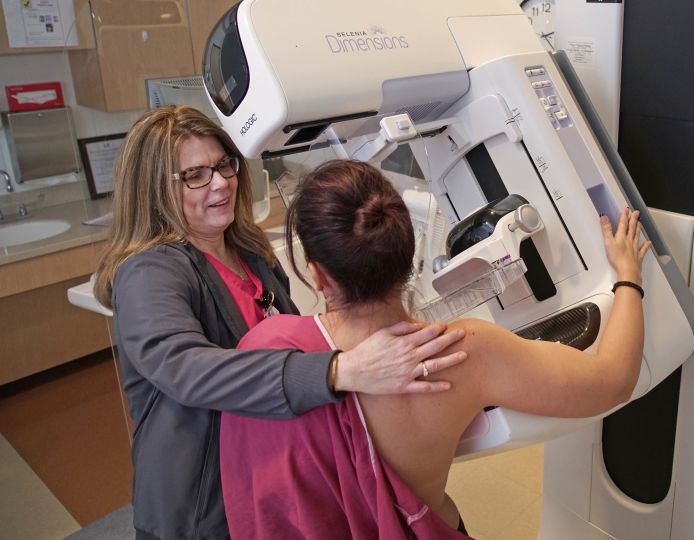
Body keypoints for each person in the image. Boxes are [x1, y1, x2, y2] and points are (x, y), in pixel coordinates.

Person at [219, 160, 651, 539]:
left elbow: (258, 502)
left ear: (316, 275)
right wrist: (628, 275)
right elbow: (615, 381)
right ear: (408, 252)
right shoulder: (466, 352)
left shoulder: (265, 352)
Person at [92, 107, 468, 540]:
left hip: (265, 477)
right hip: (202, 508)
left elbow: (288, 340)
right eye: (194, 175)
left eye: (224, 165)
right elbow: (185, 369)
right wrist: (339, 370)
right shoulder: (148, 272)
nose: (220, 183)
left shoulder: (251, 254)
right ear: (154, 189)